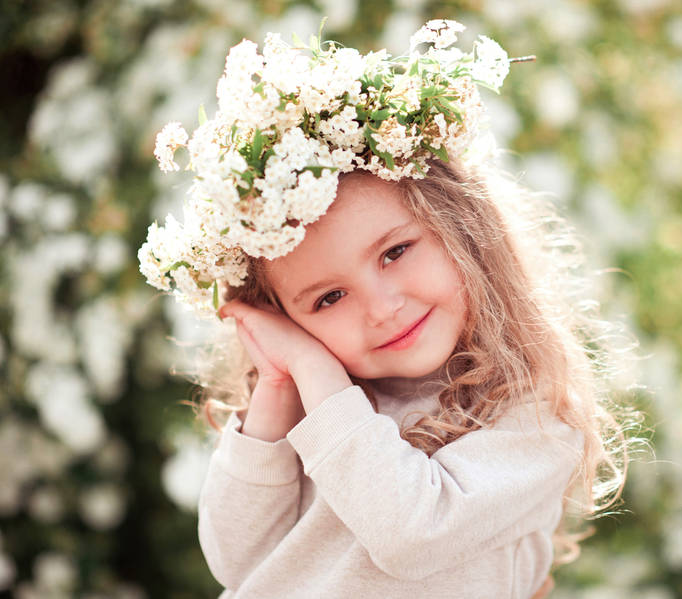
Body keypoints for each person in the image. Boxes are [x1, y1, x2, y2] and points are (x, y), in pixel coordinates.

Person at [140, 19, 633, 599]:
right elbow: (236, 560)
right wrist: (277, 389)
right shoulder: (308, 408)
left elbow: (413, 536)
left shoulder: (533, 413)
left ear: (462, 229)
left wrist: (318, 375)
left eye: (395, 252)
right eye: (328, 298)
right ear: (285, 318)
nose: (380, 307)